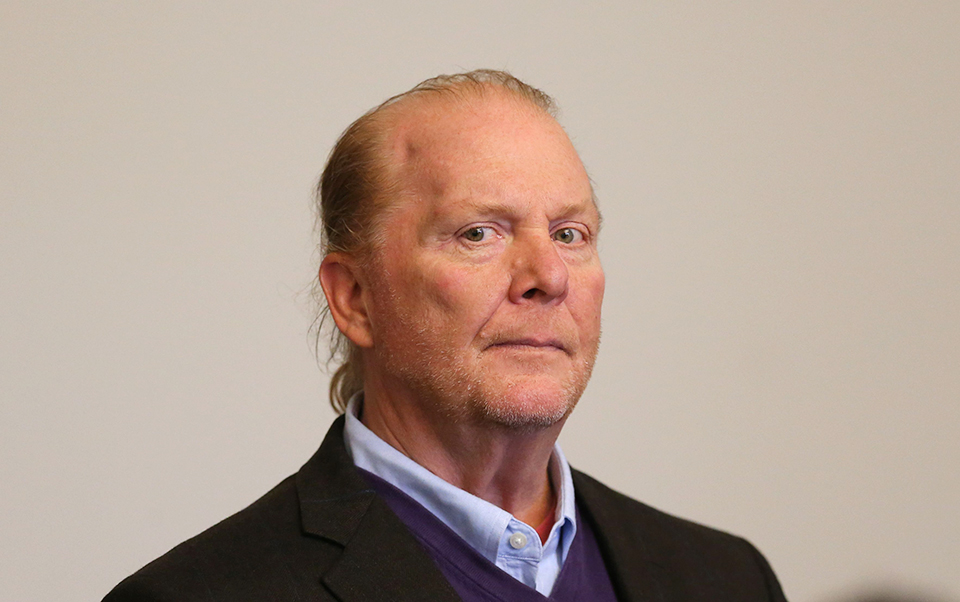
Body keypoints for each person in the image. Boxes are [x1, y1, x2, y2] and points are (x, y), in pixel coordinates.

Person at [103, 70, 787, 602]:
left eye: (570, 234)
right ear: (356, 297)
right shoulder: (199, 595)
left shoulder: (726, 579)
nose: (547, 275)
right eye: (478, 233)